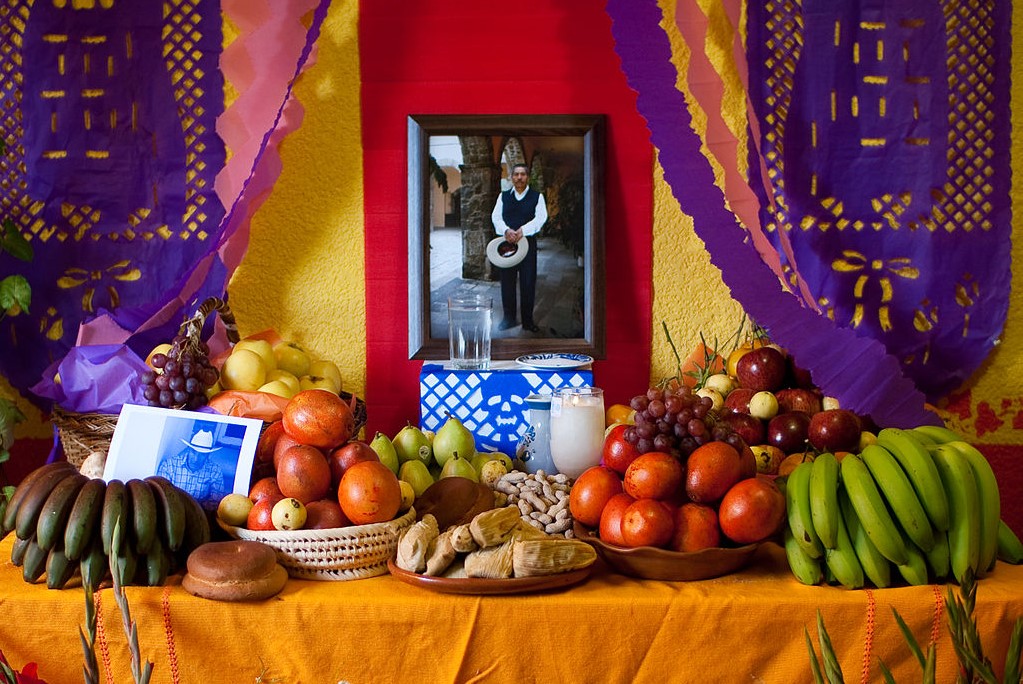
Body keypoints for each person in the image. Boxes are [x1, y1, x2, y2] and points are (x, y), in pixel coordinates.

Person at [491, 162, 547, 332]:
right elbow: (496, 217)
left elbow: (541, 218)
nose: (519, 177)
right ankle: (508, 318)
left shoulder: (537, 197)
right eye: (516, 174)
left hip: (527, 246)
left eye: (523, 174)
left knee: (528, 282)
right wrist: (506, 230)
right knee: (507, 282)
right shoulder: (504, 196)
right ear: (511, 177)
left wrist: (523, 230)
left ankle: (528, 321)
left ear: (527, 177)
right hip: (506, 245)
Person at [157, 427, 229, 508]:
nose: (196, 459)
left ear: (208, 455)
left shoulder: (215, 471)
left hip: (199, 512)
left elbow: (216, 500)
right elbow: (162, 495)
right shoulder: (169, 466)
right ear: (188, 449)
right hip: (173, 510)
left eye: (202, 454)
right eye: (193, 452)